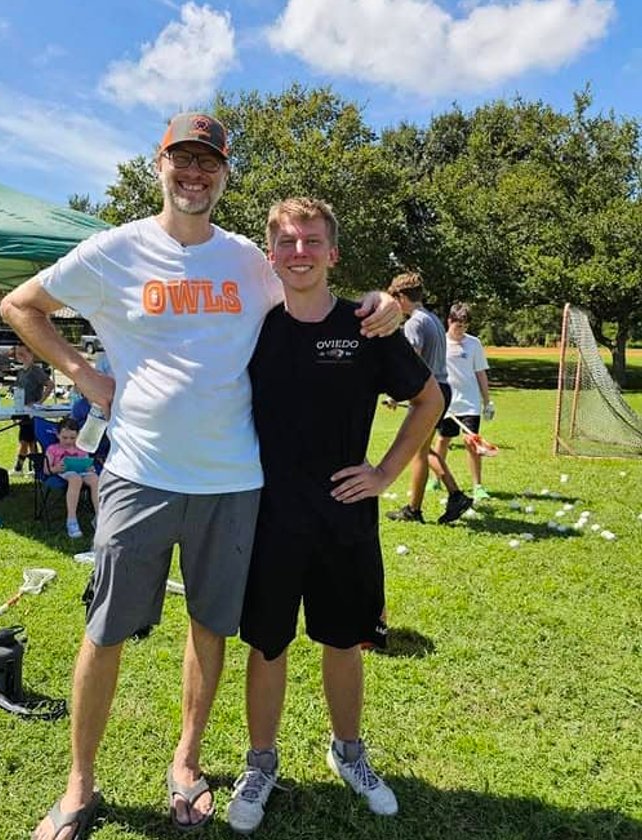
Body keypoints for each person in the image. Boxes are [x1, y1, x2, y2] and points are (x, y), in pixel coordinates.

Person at [0, 111, 401, 840]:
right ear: (160, 167)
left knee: (211, 626)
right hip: (139, 475)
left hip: (234, 481)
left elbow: (314, 289)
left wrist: (388, 303)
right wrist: (85, 375)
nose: (194, 174)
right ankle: (80, 784)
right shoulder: (116, 250)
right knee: (105, 629)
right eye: (181, 161)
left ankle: (187, 762)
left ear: (224, 175)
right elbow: (20, 305)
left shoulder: (250, 259)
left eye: (208, 163)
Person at [227, 198, 442, 833]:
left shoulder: (367, 326)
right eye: (288, 242)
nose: (299, 252)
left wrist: (384, 474)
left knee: (343, 640)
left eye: (312, 241)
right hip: (268, 515)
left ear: (332, 252)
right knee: (268, 644)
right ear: (271, 254)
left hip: (346, 517)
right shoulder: (254, 326)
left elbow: (429, 399)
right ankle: (261, 762)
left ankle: (349, 753)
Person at [384, 272, 474, 525]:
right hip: (441, 388)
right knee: (422, 449)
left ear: (402, 297)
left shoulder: (415, 323)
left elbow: (411, 360)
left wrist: (396, 393)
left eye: (394, 299)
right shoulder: (432, 318)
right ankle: (435, 501)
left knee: (418, 452)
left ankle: (435, 502)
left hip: (427, 392)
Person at [434, 303, 494, 501]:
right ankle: (436, 478)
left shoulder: (474, 344)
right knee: (443, 440)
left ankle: (478, 486)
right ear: (449, 321)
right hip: (447, 403)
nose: (461, 331)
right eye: (458, 326)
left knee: (472, 442)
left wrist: (487, 401)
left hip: (470, 403)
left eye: (465, 327)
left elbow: (480, 372)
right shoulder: (439, 342)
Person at [44, 417, 100, 538]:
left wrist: (90, 468)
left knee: (95, 479)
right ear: (57, 435)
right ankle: (72, 520)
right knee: (75, 479)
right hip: (64, 471)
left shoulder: (81, 448)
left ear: (78, 436)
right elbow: (46, 470)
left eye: (72, 438)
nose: (69, 441)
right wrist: (56, 468)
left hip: (82, 471)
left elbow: (88, 464)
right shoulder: (53, 449)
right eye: (64, 438)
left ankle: (99, 517)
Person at [12, 343, 54, 474]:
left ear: (31, 355)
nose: (21, 357)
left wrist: (39, 402)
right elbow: (17, 390)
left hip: (32, 412)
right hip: (22, 411)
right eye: (18, 354)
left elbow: (50, 385)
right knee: (28, 441)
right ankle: (34, 468)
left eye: (23, 354)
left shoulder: (36, 370)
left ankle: (21, 468)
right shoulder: (20, 372)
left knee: (27, 440)